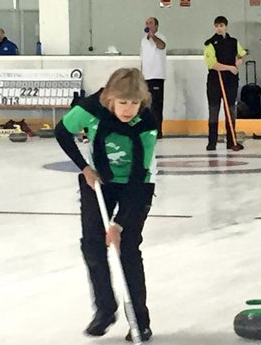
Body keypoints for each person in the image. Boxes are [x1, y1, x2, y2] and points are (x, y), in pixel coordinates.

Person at [55, 68, 158, 342]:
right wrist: (84, 168)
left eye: (134, 103)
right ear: (110, 98)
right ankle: (105, 309)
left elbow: (139, 175)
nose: (128, 109)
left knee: (128, 247)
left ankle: (140, 320)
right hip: (98, 180)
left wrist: (119, 224)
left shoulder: (146, 122)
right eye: (123, 102)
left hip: (136, 185)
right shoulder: (91, 108)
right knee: (92, 244)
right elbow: (62, 131)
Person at [204, 16, 247, 151]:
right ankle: (212, 142)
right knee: (214, 110)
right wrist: (230, 68)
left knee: (230, 110)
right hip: (215, 80)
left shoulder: (234, 42)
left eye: (221, 25)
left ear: (226, 26)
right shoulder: (209, 44)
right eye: (216, 25)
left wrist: (239, 61)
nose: (219, 28)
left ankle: (231, 140)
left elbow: (242, 53)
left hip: (231, 81)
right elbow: (212, 64)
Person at [141, 17, 167, 139]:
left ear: (156, 26)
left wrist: (153, 36)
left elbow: (161, 46)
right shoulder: (143, 41)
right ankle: (147, 129)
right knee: (146, 105)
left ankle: (158, 130)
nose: (148, 25)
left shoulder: (160, 37)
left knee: (156, 105)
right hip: (146, 76)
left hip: (157, 76)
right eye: (147, 23)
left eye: (151, 23)